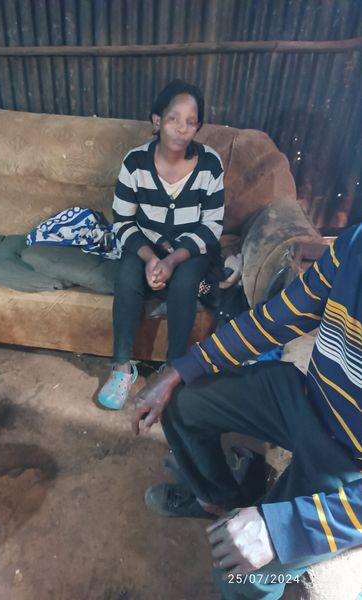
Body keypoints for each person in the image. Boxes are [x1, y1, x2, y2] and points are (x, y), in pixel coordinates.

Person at [131, 224, 362, 599]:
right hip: (307, 399)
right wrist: (182, 367)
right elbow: (281, 316)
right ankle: (222, 501)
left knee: (239, 577)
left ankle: (258, 528)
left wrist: (285, 528)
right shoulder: (355, 243)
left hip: (346, 463)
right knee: (182, 403)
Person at [98, 80, 225, 410]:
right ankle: (122, 367)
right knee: (127, 279)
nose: (183, 129)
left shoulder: (210, 164)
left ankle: (173, 369)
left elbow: (212, 226)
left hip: (190, 249)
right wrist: (152, 258)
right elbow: (123, 222)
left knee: (185, 284)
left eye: (191, 121)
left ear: (198, 125)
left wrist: (171, 262)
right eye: (173, 119)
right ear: (157, 121)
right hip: (145, 245)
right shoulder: (135, 163)